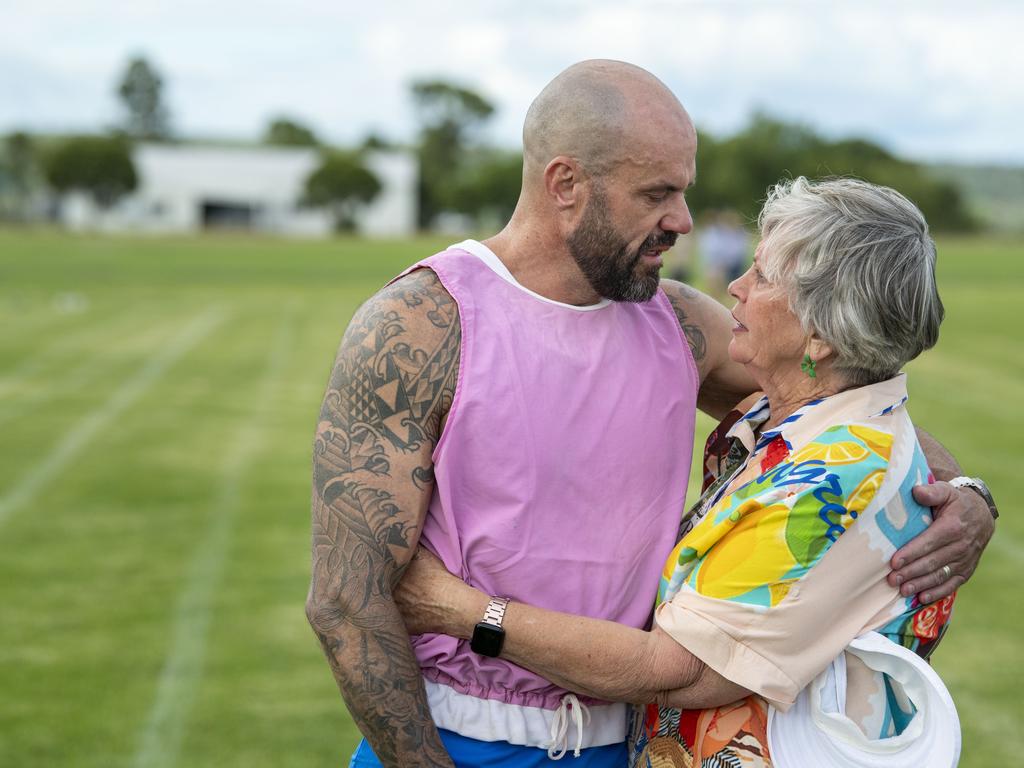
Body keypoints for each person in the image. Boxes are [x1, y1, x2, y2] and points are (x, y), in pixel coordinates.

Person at [305, 61, 994, 768]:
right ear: (566, 185)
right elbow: (345, 601)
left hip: (634, 742)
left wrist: (965, 497)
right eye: (656, 194)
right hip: (460, 740)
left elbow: (843, 414)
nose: (683, 222)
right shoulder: (421, 324)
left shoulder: (680, 324)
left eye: (683, 192)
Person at [396, 176, 970, 767]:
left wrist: (461, 611)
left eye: (764, 277)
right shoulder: (800, 426)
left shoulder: (828, 482)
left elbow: (678, 672)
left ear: (820, 334)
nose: (737, 287)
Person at [699, 209, 751, 298]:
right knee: (715, 276)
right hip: (719, 262)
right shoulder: (716, 233)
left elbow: (739, 251)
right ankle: (716, 296)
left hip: (735, 263)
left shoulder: (739, 234)